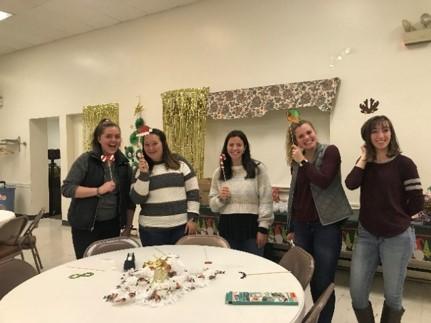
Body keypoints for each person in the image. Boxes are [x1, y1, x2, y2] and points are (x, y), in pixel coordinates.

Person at [345, 115, 423, 323]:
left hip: (397, 237)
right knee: (357, 294)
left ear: (391, 133)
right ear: (367, 137)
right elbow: (351, 183)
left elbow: (417, 202)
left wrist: (397, 216)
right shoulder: (365, 164)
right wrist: (363, 158)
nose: (381, 135)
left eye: (385, 130)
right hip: (366, 234)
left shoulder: (404, 164)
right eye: (375, 131)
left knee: (393, 296)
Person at [286, 120, 352, 323]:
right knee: (305, 276)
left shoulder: (330, 152)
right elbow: (295, 195)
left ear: (315, 132)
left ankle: (322, 320)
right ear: (295, 141)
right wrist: (291, 226)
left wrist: (304, 163)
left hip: (326, 225)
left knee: (323, 281)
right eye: (301, 136)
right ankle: (308, 316)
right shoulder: (297, 161)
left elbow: (323, 180)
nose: (306, 138)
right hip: (302, 226)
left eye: (309, 132)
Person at [62, 119, 135, 259]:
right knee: (86, 265)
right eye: (108, 136)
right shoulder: (86, 160)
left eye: (117, 136)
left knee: (110, 263)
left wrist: (128, 227)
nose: (113, 140)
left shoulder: (124, 164)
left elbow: (129, 199)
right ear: (99, 138)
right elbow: (67, 188)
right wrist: (98, 190)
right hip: (85, 226)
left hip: (112, 225)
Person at [130, 128, 199, 246]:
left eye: (155, 143)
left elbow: (193, 192)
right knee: (155, 263)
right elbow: (137, 199)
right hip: (151, 230)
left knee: (181, 262)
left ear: (163, 143)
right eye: (147, 145)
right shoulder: (140, 169)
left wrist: (192, 218)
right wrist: (144, 175)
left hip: (181, 228)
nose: (151, 148)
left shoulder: (179, 163)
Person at [209, 130, 273, 256]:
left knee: (253, 268)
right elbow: (213, 206)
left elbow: (266, 200)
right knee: (230, 268)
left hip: (252, 229)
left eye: (239, 145)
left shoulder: (258, 169)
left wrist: (263, 228)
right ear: (226, 147)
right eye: (231, 145)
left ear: (245, 147)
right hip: (227, 228)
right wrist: (220, 198)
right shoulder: (219, 173)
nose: (235, 148)